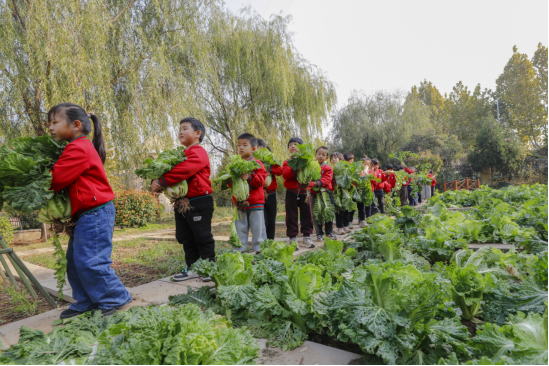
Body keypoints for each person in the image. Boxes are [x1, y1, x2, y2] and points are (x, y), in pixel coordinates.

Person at [48, 103, 132, 319]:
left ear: (76, 125)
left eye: (55, 122)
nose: (50, 127)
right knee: (76, 261)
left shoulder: (79, 148)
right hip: (87, 213)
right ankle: (86, 300)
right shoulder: (75, 147)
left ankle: (115, 297)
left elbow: (55, 179)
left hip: (95, 212)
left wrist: (38, 177)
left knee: (91, 260)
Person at [151, 117, 216, 282]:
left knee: (202, 235)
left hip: (199, 200)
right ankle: (193, 266)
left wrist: (163, 181)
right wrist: (155, 181)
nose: (180, 131)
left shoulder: (198, 151)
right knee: (185, 235)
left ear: (197, 133)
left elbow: (186, 169)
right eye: (179, 129)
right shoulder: (180, 154)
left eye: (185, 128)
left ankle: (209, 267)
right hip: (182, 202)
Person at [230, 133, 267, 253]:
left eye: (245, 145)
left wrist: (249, 177)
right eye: (239, 145)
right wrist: (230, 180)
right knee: (240, 228)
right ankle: (239, 252)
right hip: (240, 203)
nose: (241, 147)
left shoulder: (257, 163)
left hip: (255, 203)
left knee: (258, 228)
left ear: (254, 148)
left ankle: (260, 251)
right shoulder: (235, 164)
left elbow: (261, 181)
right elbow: (232, 185)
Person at [283, 137, 315, 249]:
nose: (292, 146)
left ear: (301, 148)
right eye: (290, 144)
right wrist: (295, 167)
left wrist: (308, 185)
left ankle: (307, 237)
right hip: (291, 192)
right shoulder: (287, 162)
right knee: (291, 215)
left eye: (295, 144)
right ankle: (292, 239)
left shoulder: (308, 162)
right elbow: (285, 175)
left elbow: (312, 176)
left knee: (307, 214)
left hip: (304, 192)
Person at [257, 140, 283, 240]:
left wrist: (270, 170)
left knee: (272, 221)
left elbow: (280, 171)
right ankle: (263, 243)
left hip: (271, 193)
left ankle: (270, 241)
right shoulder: (255, 162)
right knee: (264, 222)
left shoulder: (272, 162)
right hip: (260, 194)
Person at [311, 147, 337, 241]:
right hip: (315, 193)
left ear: (326, 158)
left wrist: (315, 183)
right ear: (315, 155)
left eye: (323, 155)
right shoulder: (311, 167)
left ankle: (329, 232)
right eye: (319, 154)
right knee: (317, 214)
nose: (321, 156)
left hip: (326, 193)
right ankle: (319, 234)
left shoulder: (328, 168)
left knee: (329, 212)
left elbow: (327, 180)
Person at [331, 152, 348, 235]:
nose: (333, 160)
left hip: (343, 192)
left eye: (335, 158)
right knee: (338, 211)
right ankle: (340, 227)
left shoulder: (344, 169)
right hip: (334, 192)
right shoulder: (330, 169)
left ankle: (345, 225)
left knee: (344, 210)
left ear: (341, 160)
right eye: (332, 158)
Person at [344, 153, 357, 228]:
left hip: (353, 189)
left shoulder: (354, 167)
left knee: (352, 206)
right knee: (346, 207)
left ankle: (350, 221)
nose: (351, 162)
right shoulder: (344, 168)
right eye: (349, 160)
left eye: (352, 160)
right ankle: (346, 222)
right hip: (346, 190)